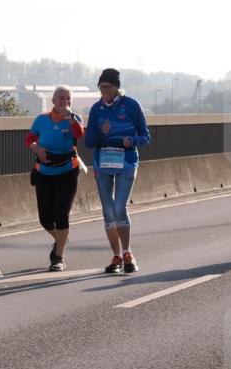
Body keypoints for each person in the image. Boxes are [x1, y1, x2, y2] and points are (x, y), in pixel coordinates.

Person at [85, 68, 151, 274]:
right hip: (103, 164)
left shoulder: (131, 105)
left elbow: (145, 136)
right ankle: (116, 256)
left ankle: (128, 252)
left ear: (116, 87)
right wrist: (100, 134)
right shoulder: (96, 109)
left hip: (126, 162)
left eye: (108, 87)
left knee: (119, 208)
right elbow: (89, 142)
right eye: (101, 87)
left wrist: (131, 140)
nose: (104, 91)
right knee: (108, 211)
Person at [25, 86, 85, 271]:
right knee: (45, 219)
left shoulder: (75, 119)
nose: (64, 101)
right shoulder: (41, 119)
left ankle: (58, 257)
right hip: (44, 172)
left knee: (61, 215)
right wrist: (37, 148)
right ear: (53, 100)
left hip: (67, 171)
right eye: (61, 97)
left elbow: (79, 134)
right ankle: (61, 238)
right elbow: (29, 139)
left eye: (68, 98)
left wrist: (70, 118)